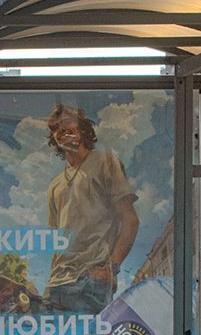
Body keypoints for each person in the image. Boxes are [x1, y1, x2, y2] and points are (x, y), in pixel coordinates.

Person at [44, 105, 140, 315]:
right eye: (56, 127)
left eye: (68, 123)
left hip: (90, 279)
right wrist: (51, 282)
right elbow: (57, 239)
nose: (62, 130)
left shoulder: (105, 163)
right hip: (58, 282)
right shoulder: (55, 185)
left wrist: (111, 268)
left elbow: (130, 220)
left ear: (82, 129)